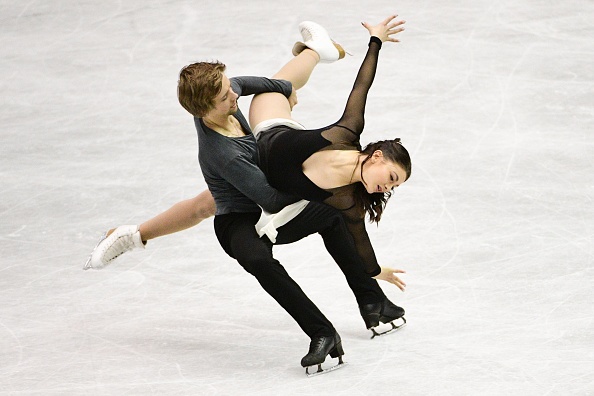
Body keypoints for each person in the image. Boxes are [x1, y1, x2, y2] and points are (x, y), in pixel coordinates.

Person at [86, 16, 408, 372]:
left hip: (267, 169)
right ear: (206, 108)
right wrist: (326, 192)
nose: (234, 94)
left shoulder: (223, 95)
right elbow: (270, 200)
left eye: (229, 88)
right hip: (246, 205)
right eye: (226, 95)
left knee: (276, 93)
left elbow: (254, 84)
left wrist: (285, 89)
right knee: (214, 213)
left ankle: (317, 51)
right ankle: (322, 331)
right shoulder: (223, 154)